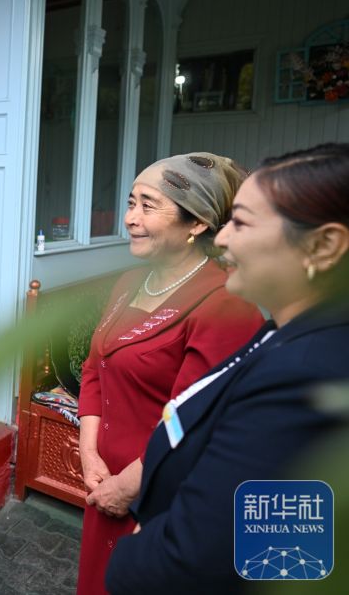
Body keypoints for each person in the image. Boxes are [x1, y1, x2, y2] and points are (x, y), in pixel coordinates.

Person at [106, 143, 349, 594]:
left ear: (324, 245)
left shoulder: (307, 378)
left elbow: (264, 556)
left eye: (243, 223)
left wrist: (131, 553)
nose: (222, 239)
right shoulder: (282, 333)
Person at [75, 152, 264, 595]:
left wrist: (128, 487)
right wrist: (88, 451)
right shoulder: (127, 284)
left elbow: (194, 423)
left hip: (159, 493)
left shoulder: (226, 303)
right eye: (131, 202)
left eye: (148, 205)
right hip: (104, 480)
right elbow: (95, 367)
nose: (130, 218)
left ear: (196, 223)